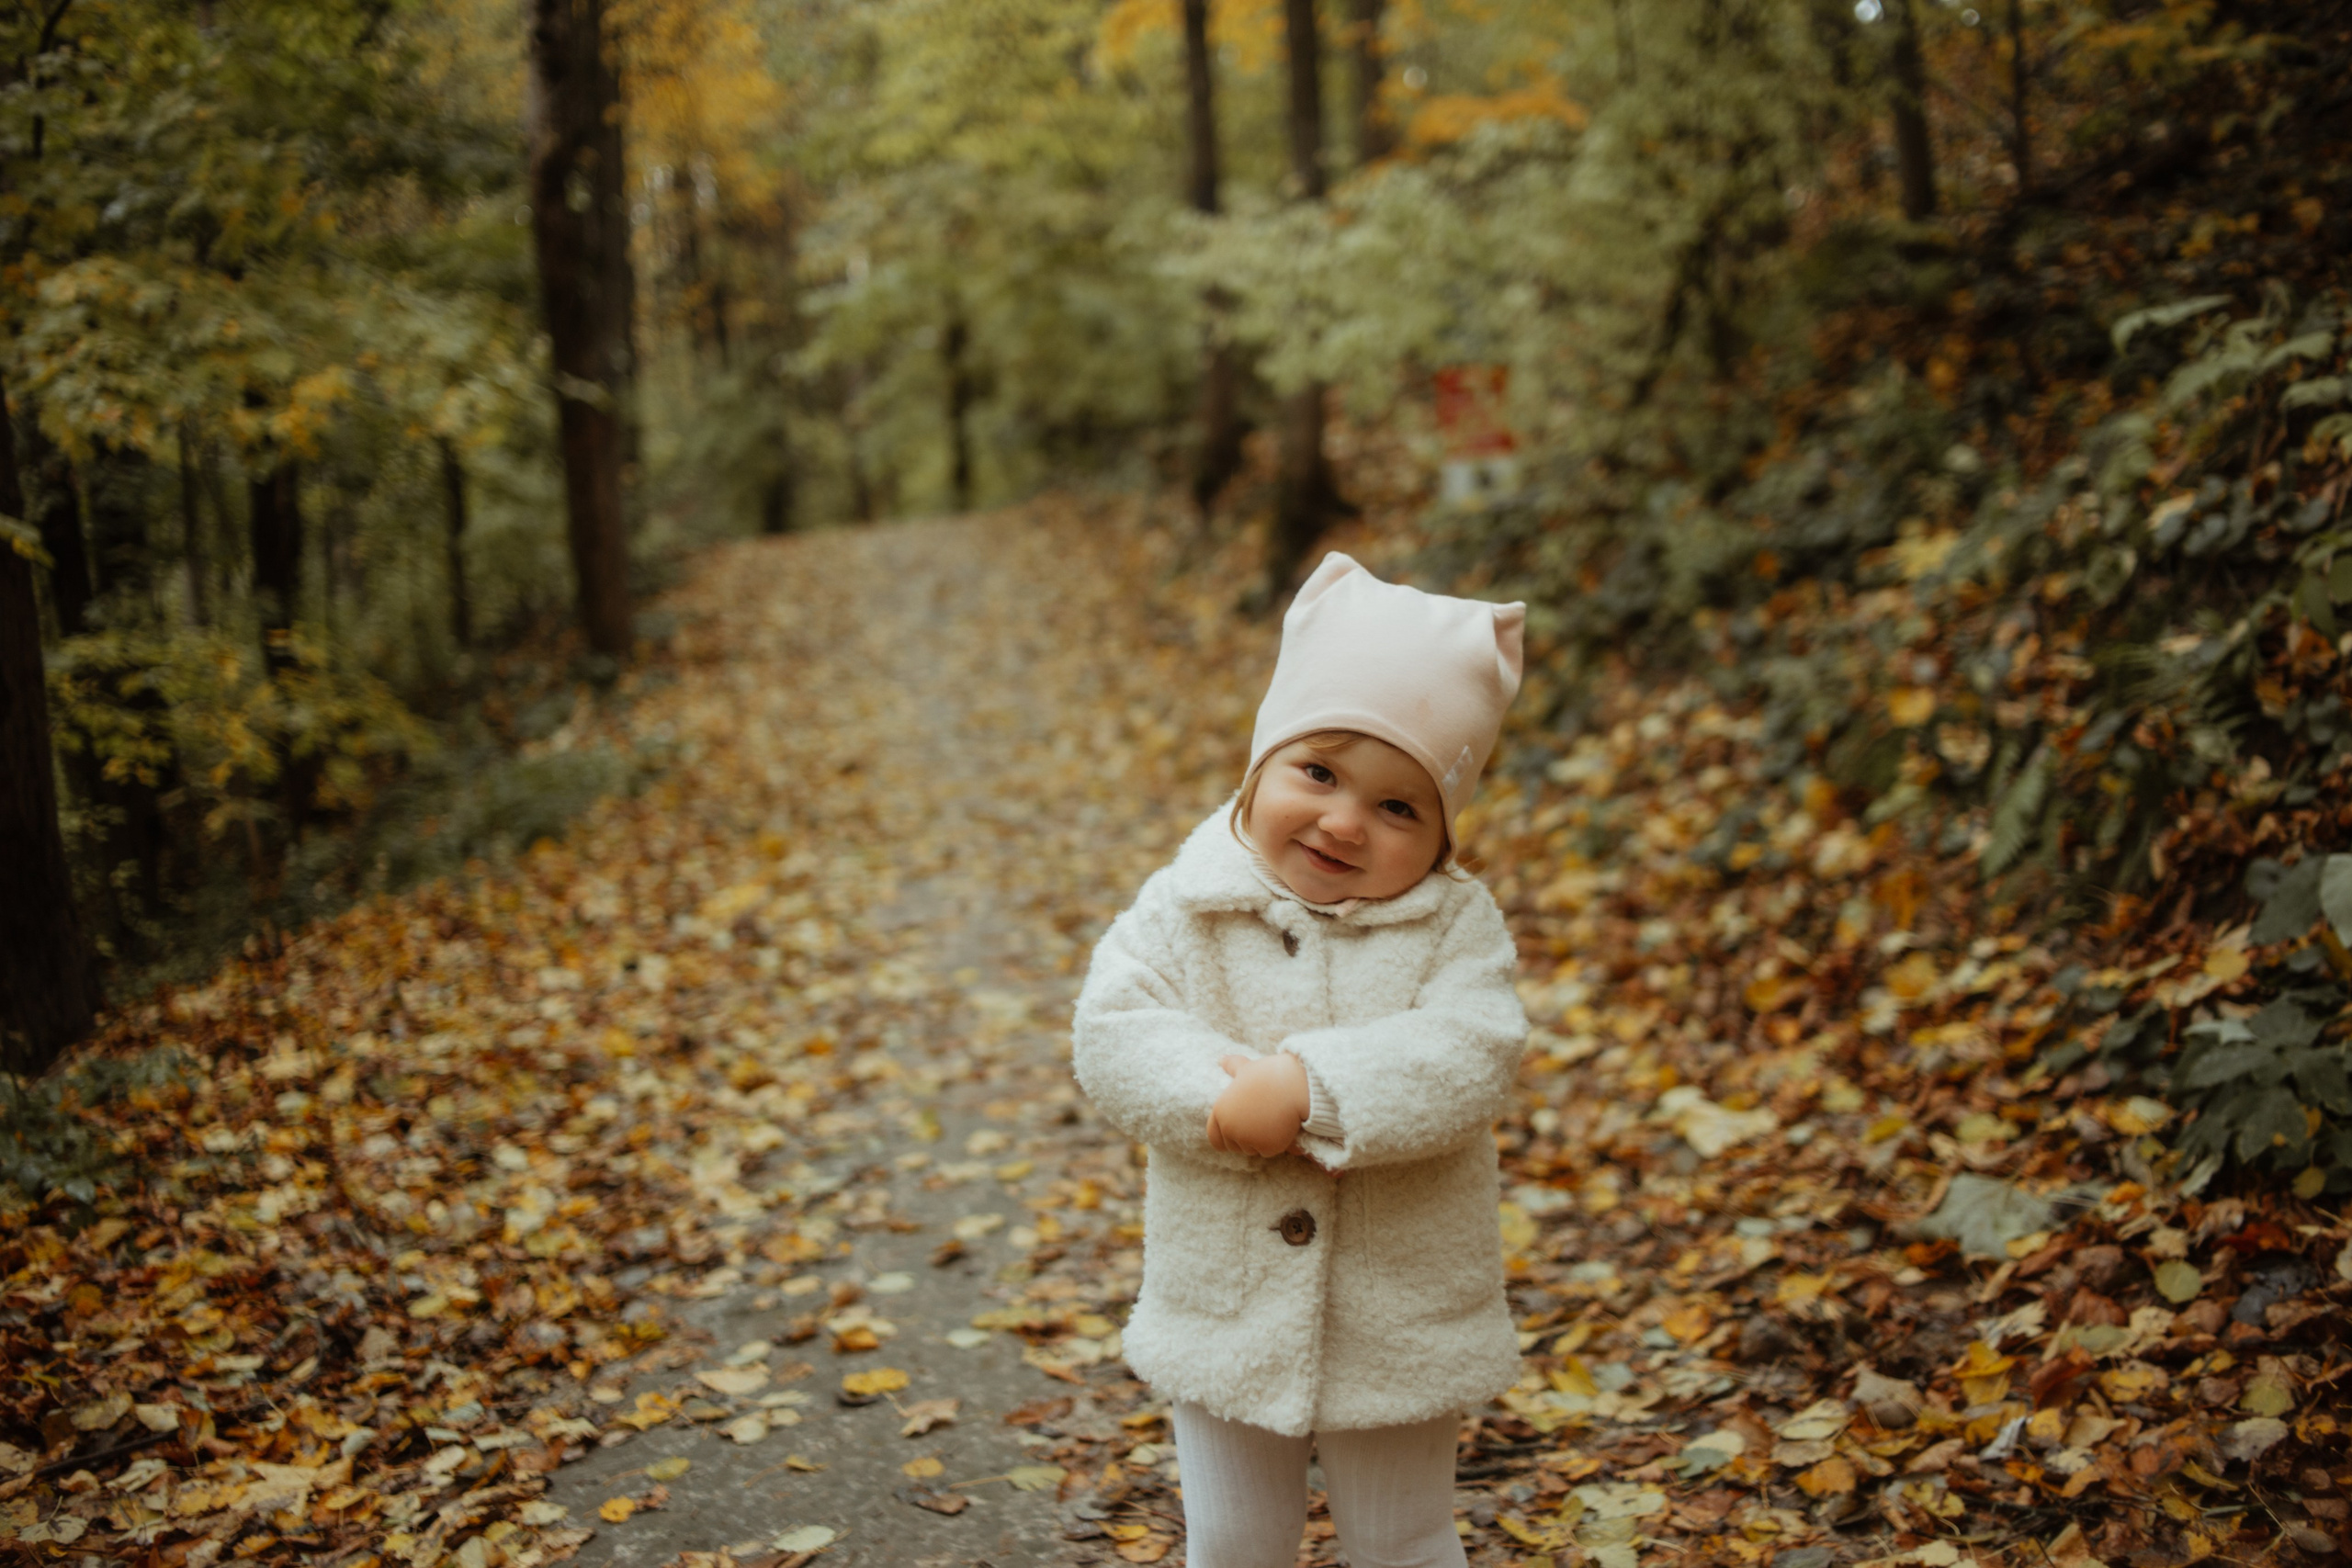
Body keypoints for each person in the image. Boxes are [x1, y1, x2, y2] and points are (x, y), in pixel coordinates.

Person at [1071, 551, 1530, 1568]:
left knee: (1406, 1537)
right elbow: (1114, 1028)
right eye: (1317, 772)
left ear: (1445, 832)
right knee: (1233, 1541)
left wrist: (1317, 1090)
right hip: (1224, 1298)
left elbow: (1474, 1050)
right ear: (1259, 764)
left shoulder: (1454, 926)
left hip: (1401, 1306)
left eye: (1397, 807)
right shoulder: (1188, 902)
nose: (1342, 821)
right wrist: (1216, 1098)